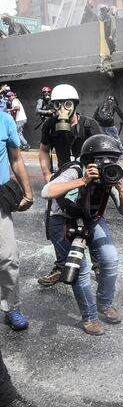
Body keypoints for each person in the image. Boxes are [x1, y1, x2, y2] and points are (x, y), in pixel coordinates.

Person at [41, 134, 123, 335]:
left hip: (92, 219)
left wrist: (120, 189)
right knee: (81, 269)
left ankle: (105, 304)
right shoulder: (75, 170)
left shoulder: (108, 177)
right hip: (63, 220)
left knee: (110, 259)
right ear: (88, 160)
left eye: (112, 159)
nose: (106, 164)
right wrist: (83, 180)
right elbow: (47, 192)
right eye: (100, 159)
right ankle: (89, 317)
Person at [37, 84, 103, 287]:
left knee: (91, 220)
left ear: (74, 105)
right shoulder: (50, 125)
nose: (61, 110)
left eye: (66, 105)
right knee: (56, 222)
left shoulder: (90, 125)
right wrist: (48, 175)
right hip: (63, 179)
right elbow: (43, 150)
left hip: (88, 180)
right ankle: (61, 264)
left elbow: (101, 152)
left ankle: (99, 265)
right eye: (57, 105)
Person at [0, 107, 33, 332]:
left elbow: (16, 158)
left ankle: (11, 307)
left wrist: (28, 193)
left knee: (8, 257)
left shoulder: (4, 120)